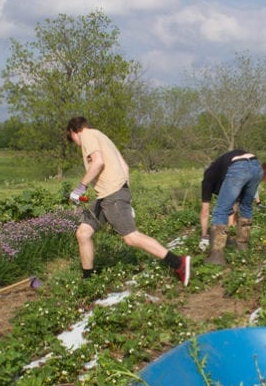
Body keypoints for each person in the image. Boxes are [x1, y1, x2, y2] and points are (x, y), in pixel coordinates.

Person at [65, 116, 190, 285]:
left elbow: (98, 162)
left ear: (73, 131)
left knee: (131, 237)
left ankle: (178, 263)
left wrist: (81, 187)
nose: (75, 142)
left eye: (71, 138)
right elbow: (125, 167)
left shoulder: (87, 135)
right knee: (83, 233)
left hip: (112, 194)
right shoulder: (103, 137)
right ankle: (88, 279)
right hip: (107, 195)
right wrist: (127, 196)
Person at [198, 151, 266, 265]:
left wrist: (204, 235)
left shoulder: (208, 178)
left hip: (240, 166)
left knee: (220, 210)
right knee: (246, 206)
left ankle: (216, 256)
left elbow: (205, 212)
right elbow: (235, 201)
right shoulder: (222, 168)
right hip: (256, 166)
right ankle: (243, 248)